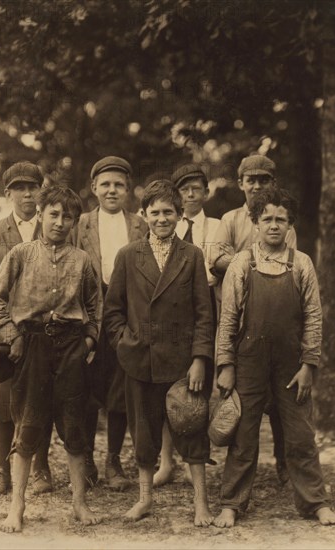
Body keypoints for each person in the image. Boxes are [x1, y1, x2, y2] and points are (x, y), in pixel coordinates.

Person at [213, 187, 335, 528]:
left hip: (291, 365)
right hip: (248, 362)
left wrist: (308, 365)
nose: (273, 225)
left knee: (300, 435)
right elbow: (227, 319)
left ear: (289, 225)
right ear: (255, 223)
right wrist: (225, 365)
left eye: (280, 220)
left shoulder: (301, 263)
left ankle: (315, 502)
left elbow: (314, 317)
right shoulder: (242, 263)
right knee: (243, 435)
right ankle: (231, 503)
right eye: (266, 219)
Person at [0, 186, 99, 532]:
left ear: (74, 222)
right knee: (29, 423)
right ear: (42, 214)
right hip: (30, 347)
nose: (60, 222)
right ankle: (17, 505)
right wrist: (13, 336)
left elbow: (95, 306)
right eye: (54, 214)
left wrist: (90, 338)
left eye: (67, 217)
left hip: (71, 347)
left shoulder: (82, 261)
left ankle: (79, 502)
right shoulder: (20, 254)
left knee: (74, 423)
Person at [103, 180, 215, 526]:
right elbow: (113, 311)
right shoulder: (128, 254)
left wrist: (198, 360)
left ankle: (201, 504)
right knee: (143, 432)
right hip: (141, 361)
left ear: (180, 215)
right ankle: (145, 499)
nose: (162, 218)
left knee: (191, 429)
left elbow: (204, 313)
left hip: (182, 364)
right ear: (144, 215)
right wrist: (125, 344)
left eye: (169, 212)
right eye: (155, 212)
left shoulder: (192, 256)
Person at [211, 153, 295, 485]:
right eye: (251, 179)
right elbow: (215, 257)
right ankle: (241, 471)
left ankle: (283, 463)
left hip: (274, 318)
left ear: (273, 183)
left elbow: (288, 261)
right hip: (238, 319)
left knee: (279, 398)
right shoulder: (230, 219)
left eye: (264, 179)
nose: (257, 185)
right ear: (241, 182)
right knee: (243, 399)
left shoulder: (283, 220)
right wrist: (251, 262)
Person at [74, 156, 147, 490]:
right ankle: (87, 458)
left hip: (125, 316)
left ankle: (113, 461)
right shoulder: (81, 223)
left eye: (119, 184)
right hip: (88, 314)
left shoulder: (140, 225)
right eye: (105, 184)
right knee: (87, 386)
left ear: (128, 189)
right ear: (94, 188)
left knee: (121, 388)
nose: (112, 190)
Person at [0, 161, 52, 496]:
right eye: (20, 188)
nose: (28, 194)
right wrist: (7, 333)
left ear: (42, 190)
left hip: (45, 330)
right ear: (7, 193)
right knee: (3, 400)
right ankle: (1, 467)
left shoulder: (54, 225)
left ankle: (41, 467)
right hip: (9, 332)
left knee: (41, 397)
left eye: (33, 187)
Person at [153, 163, 220, 487]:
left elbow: (222, 266)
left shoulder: (217, 227)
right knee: (169, 391)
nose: (191, 194)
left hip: (207, 305)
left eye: (197, 188)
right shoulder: (163, 227)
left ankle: (196, 458)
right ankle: (166, 461)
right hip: (169, 314)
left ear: (206, 192)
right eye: (185, 188)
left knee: (197, 390)